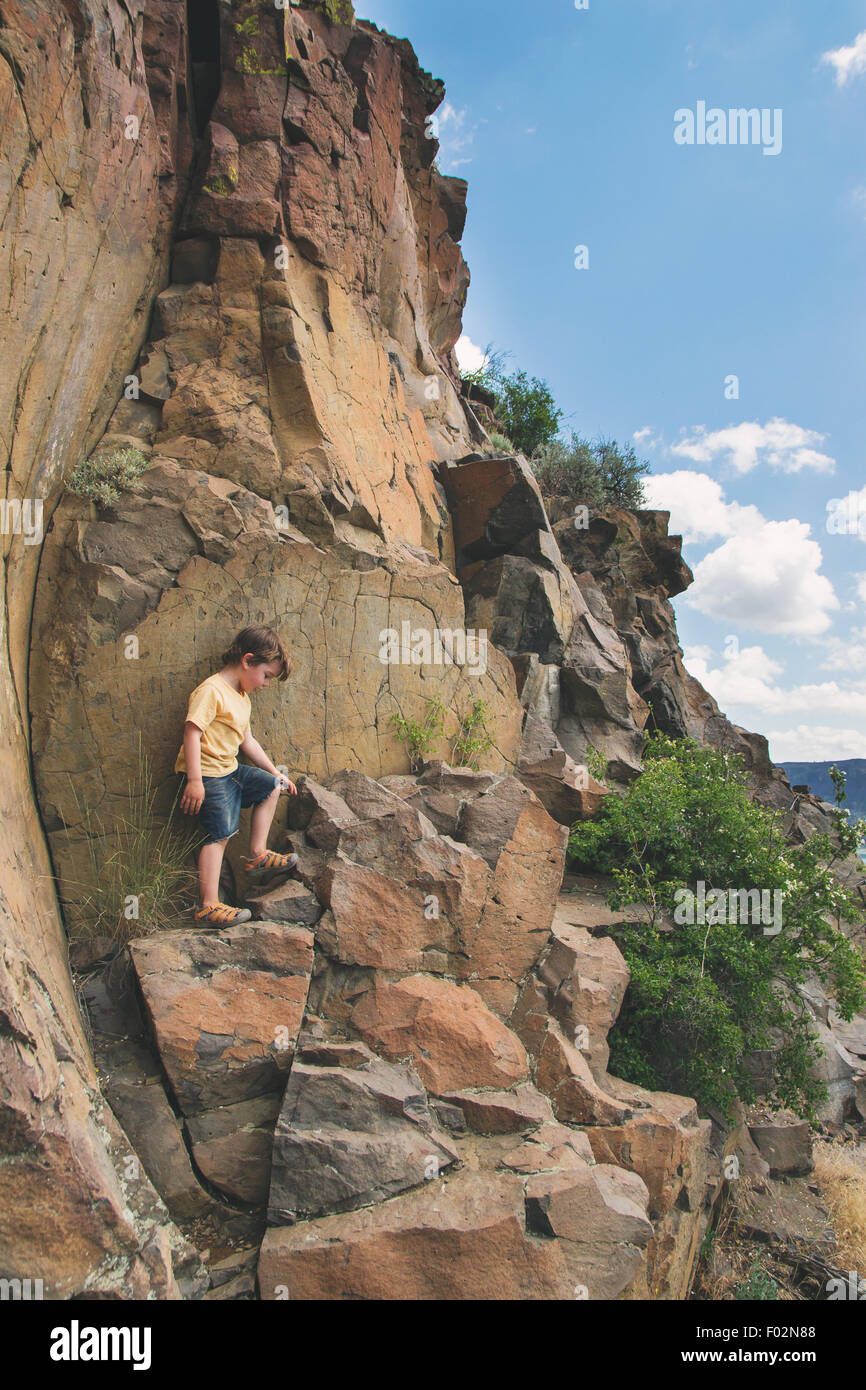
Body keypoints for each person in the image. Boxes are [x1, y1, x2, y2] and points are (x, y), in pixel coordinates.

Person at [175, 625, 298, 925]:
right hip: (207, 776)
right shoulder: (211, 691)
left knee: (270, 787)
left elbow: (248, 741)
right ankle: (208, 904)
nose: (266, 683)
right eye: (266, 675)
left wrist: (274, 772)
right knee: (219, 835)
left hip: (231, 771)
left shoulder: (242, 697)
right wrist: (194, 780)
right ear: (247, 660)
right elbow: (192, 733)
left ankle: (257, 853)